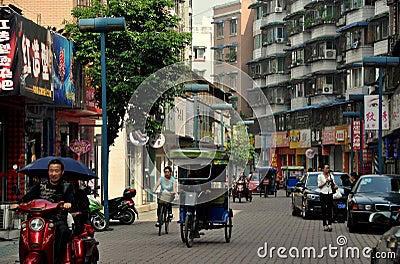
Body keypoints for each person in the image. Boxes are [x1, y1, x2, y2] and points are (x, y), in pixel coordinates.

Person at [13, 158, 74, 264]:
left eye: (56, 171)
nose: (53, 173)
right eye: (51, 170)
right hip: (38, 219)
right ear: (48, 171)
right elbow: (28, 196)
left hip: (56, 219)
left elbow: (70, 199)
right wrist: (19, 203)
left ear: (62, 172)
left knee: (62, 230)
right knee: (24, 228)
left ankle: (56, 260)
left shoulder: (66, 186)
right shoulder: (41, 185)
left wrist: (67, 204)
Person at [318, 163, 337, 232]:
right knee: (323, 209)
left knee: (329, 209)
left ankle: (329, 224)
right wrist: (325, 182)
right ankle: (324, 224)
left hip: (330, 193)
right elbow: (319, 186)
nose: (327, 169)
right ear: (323, 169)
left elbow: (334, 184)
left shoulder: (331, 176)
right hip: (323, 193)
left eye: (328, 168)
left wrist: (334, 185)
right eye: (326, 168)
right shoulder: (320, 176)